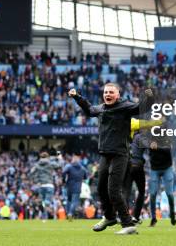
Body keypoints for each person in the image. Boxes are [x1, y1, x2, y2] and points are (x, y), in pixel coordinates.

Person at [69, 84, 153, 235]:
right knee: (101, 188)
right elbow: (89, 109)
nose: (108, 94)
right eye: (106, 92)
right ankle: (109, 217)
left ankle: (128, 224)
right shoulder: (101, 108)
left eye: (111, 92)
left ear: (118, 94)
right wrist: (77, 97)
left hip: (120, 154)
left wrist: (149, 96)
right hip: (105, 154)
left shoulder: (125, 106)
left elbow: (142, 108)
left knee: (113, 190)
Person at [124, 118, 162, 224]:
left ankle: (124, 216)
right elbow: (151, 145)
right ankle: (135, 216)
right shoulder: (140, 137)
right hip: (137, 166)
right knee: (141, 192)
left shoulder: (129, 137)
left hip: (126, 166)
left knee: (126, 191)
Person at [147, 137, 176, 227]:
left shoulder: (167, 139)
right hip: (154, 169)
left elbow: (168, 149)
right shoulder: (149, 140)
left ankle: (172, 214)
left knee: (169, 194)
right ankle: (153, 218)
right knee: (152, 194)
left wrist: (157, 147)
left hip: (167, 168)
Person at [30, 152, 61, 219]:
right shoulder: (50, 163)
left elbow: (31, 172)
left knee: (41, 201)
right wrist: (59, 158)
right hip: (49, 185)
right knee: (47, 202)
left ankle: (44, 217)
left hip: (41, 186)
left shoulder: (37, 164)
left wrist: (36, 181)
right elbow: (59, 165)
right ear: (47, 157)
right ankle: (44, 207)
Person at [62, 155, 87, 220]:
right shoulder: (82, 168)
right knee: (74, 201)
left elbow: (64, 172)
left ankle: (68, 214)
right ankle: (70, 213)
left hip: (69, 186)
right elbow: (85, 177)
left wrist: (64, 180)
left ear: (72, 160)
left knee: (68, 200)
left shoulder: (69, 166)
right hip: (77, 187)